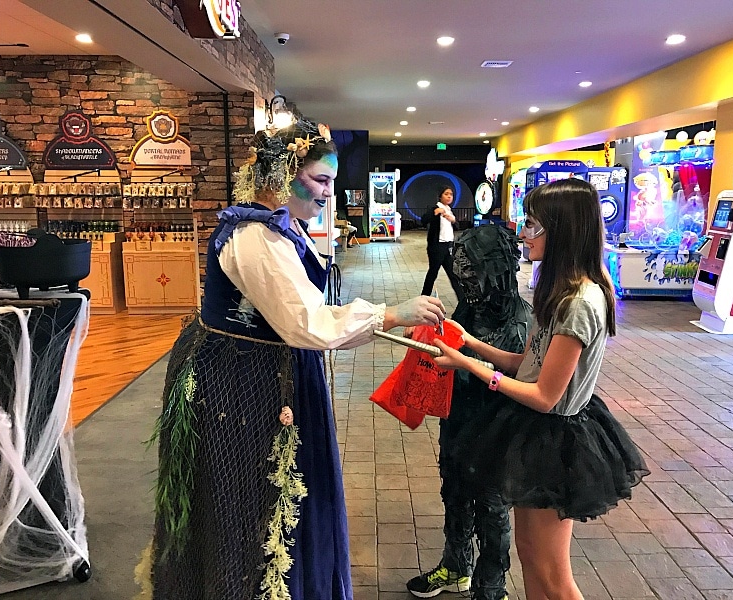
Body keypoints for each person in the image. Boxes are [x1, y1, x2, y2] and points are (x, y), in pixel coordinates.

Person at [149, 117, 445, 600]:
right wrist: (391, 313)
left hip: (259, 368)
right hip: (244, 382)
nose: (328, 193)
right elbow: (306, 323)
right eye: (320, 180)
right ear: (284, 174)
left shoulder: (274, 227)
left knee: (263, 495)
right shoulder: (256, 238)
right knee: (248, 498)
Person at [432, 178, 649, 600]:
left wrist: (470, 366)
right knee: (531, 554)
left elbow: (545, 396)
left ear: (562, 231)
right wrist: (471, 343)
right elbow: (527, 365)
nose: (523, 234)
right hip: (537, 432)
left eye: (532, 224)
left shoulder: (580, 302)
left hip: (558, 439)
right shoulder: (556, 291)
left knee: (554, 573)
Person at [406, 225, 532, 600]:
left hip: (497, 432)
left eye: (472, 273)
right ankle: (455, 567)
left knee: (492, 509)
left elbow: (517, 378)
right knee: (455, 493)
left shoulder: (520, 321)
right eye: (462, 274)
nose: (466, 282)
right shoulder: (470, 310)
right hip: (458, 421)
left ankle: (491, 588)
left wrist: (466, 362)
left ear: (497, 270)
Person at [421, 186, 464, 300]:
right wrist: (435, 213)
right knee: (433, 273)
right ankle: (424, 298)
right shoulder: (435, 208)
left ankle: (462, 300)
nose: (449, 196)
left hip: (448, 246)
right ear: (440, 196)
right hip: (437, 247)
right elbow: (423, 220)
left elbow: (457, 226)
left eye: (451, 194)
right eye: (446, 194)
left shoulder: (449, 210)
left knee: (453, 274)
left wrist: (453, 220)